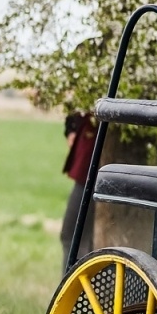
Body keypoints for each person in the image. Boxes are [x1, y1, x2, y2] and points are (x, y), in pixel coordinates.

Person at [59, 111, 97, 261]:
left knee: (73, 237)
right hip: (89, 161)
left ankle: (73, 284)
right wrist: (72, 127)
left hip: (91, 164)